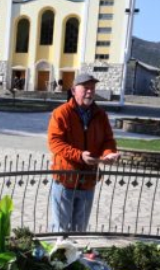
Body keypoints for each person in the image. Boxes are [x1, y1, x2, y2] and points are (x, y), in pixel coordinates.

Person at [47, 73, 120, 232]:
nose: (90, 92)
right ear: (73, 90)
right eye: (86, 88)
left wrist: (108, 153)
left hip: (88, 181)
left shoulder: (100, 115)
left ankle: (75, 256)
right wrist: (79, 155)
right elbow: (55, 142)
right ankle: (57, 256)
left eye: (92, 88)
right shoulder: (61, 113)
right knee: (59, 230)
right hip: (65, 180)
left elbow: (108, 139)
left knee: (79, 230)